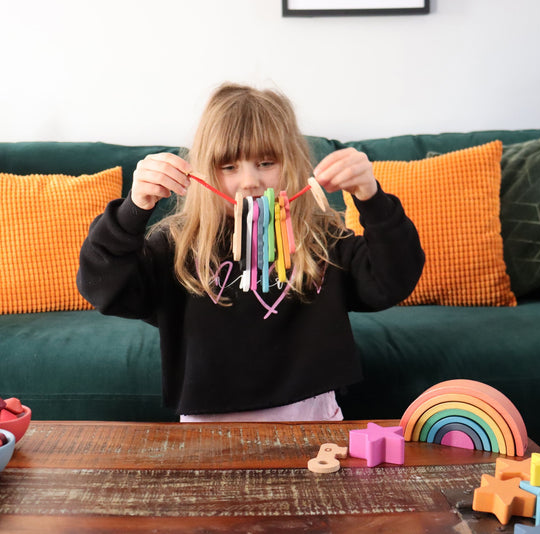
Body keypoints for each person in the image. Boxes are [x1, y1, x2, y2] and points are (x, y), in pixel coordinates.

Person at [77, 82, 424, 422]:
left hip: (311, 416)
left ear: (292, 162)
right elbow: (105, 288)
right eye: (229, 167)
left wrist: (371, 198)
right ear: (204, 170)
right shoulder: (177, 244)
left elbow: (391, 280)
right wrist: (133, 208)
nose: (249, 182)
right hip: (207, 425)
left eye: (266, 163)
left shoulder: (321, 236)